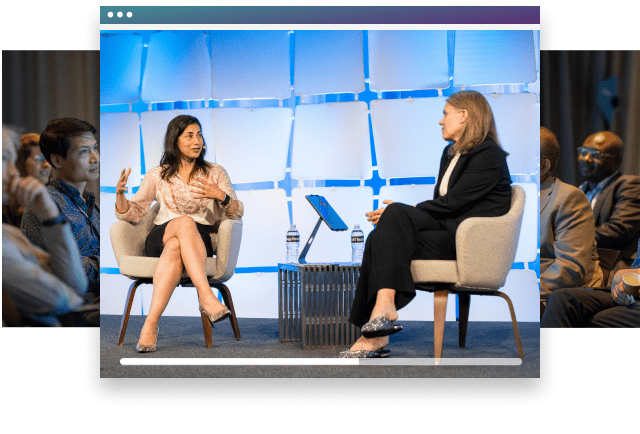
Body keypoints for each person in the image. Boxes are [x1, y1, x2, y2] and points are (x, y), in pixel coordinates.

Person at [339, 90, 512, 358]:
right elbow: (442, 207)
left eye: (445, 114)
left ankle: (377, 323)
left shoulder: (489, 154)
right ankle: (378, 322)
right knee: (381, 235)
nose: (440, 121)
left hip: (469, 244)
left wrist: (400, 212)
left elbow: (453, 204)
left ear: (464, 115)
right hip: (447, 233)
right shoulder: (450, 153)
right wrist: (399, 215)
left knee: (394, 216)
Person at [114, 114, 244, 352]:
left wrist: (221, 196)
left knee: (177, 245)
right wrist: (121, 195)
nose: (197, 141)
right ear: (175, 141)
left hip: (198, 239)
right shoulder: (158, 174)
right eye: (190, 136)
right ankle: (206, 296)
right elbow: (134, 213)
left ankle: (150, 325)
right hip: (160, 235)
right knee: (182, 223)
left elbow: (237, 212)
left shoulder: (215, 172)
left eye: (200, 135)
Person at [2, 125, 93, 326]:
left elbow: (76, 285)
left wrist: (50, 215)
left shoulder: (9, 234)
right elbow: (61, 299)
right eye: (3, 158)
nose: (13, 171)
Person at [21, 118, 101, 296]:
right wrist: (111, 268)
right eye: (84, 151)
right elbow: (66, 269)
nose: (95, 158)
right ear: (57, 161)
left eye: (95, 148)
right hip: (78, 305)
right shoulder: (44, 206)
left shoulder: (90, 203)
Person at [540, 127, 603, 300]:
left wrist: (527, 291)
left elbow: (570, 268)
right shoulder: (512, 195)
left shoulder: (568, 198)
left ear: (544, 166)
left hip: (556, 296)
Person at [577, 131, 640, 278]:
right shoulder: (581, 190)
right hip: (583, 264)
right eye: (584, 152)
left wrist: (573, 238)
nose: (586, 159)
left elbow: (618, 231)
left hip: (615, 267)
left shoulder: (629, 185)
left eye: (596, 154)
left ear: (616, 162)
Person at [541, 239, 640, 327]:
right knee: (561, 299)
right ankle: (546, 347)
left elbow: (618, 231)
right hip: (633, 293)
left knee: (595, 319)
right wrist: (624, 285)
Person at [2, 133, 52, 227]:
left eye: (48, 159)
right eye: (39, 158)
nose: (47, 165)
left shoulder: (53, 199)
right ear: (21, 162)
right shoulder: (4, 203)